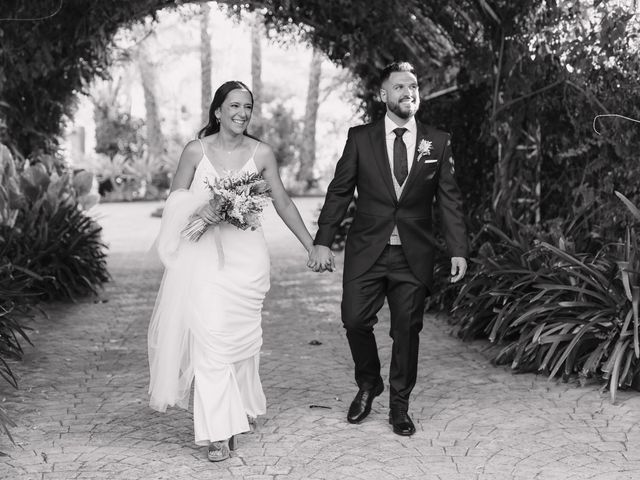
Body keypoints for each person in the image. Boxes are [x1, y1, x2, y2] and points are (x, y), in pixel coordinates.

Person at [148, 80, 315, 462]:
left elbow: (284, 202)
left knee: (241, 343)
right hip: (204, 261)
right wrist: (203, 210)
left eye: (248, 107)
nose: (241, 113)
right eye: (234, 106)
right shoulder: (195, 151)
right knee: (212, 342)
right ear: (218, 111)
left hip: (248, 263)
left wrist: (311, 245)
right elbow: (173, 203)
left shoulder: (262, 154)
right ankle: (218, 432)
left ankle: (241, 404)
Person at [308, 61, 469, 436]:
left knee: (406, 331)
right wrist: (322, 240)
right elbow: (340, 191)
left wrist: (458, 248)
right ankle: (369, 382)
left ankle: (400, 406)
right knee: (353, 319)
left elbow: (449, 200)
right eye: (399, 87)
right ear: (383, 95)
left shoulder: (438, 141)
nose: (408, 92)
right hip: (368, 250)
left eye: (413, 86)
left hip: (414, 253)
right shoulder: (360, 138)